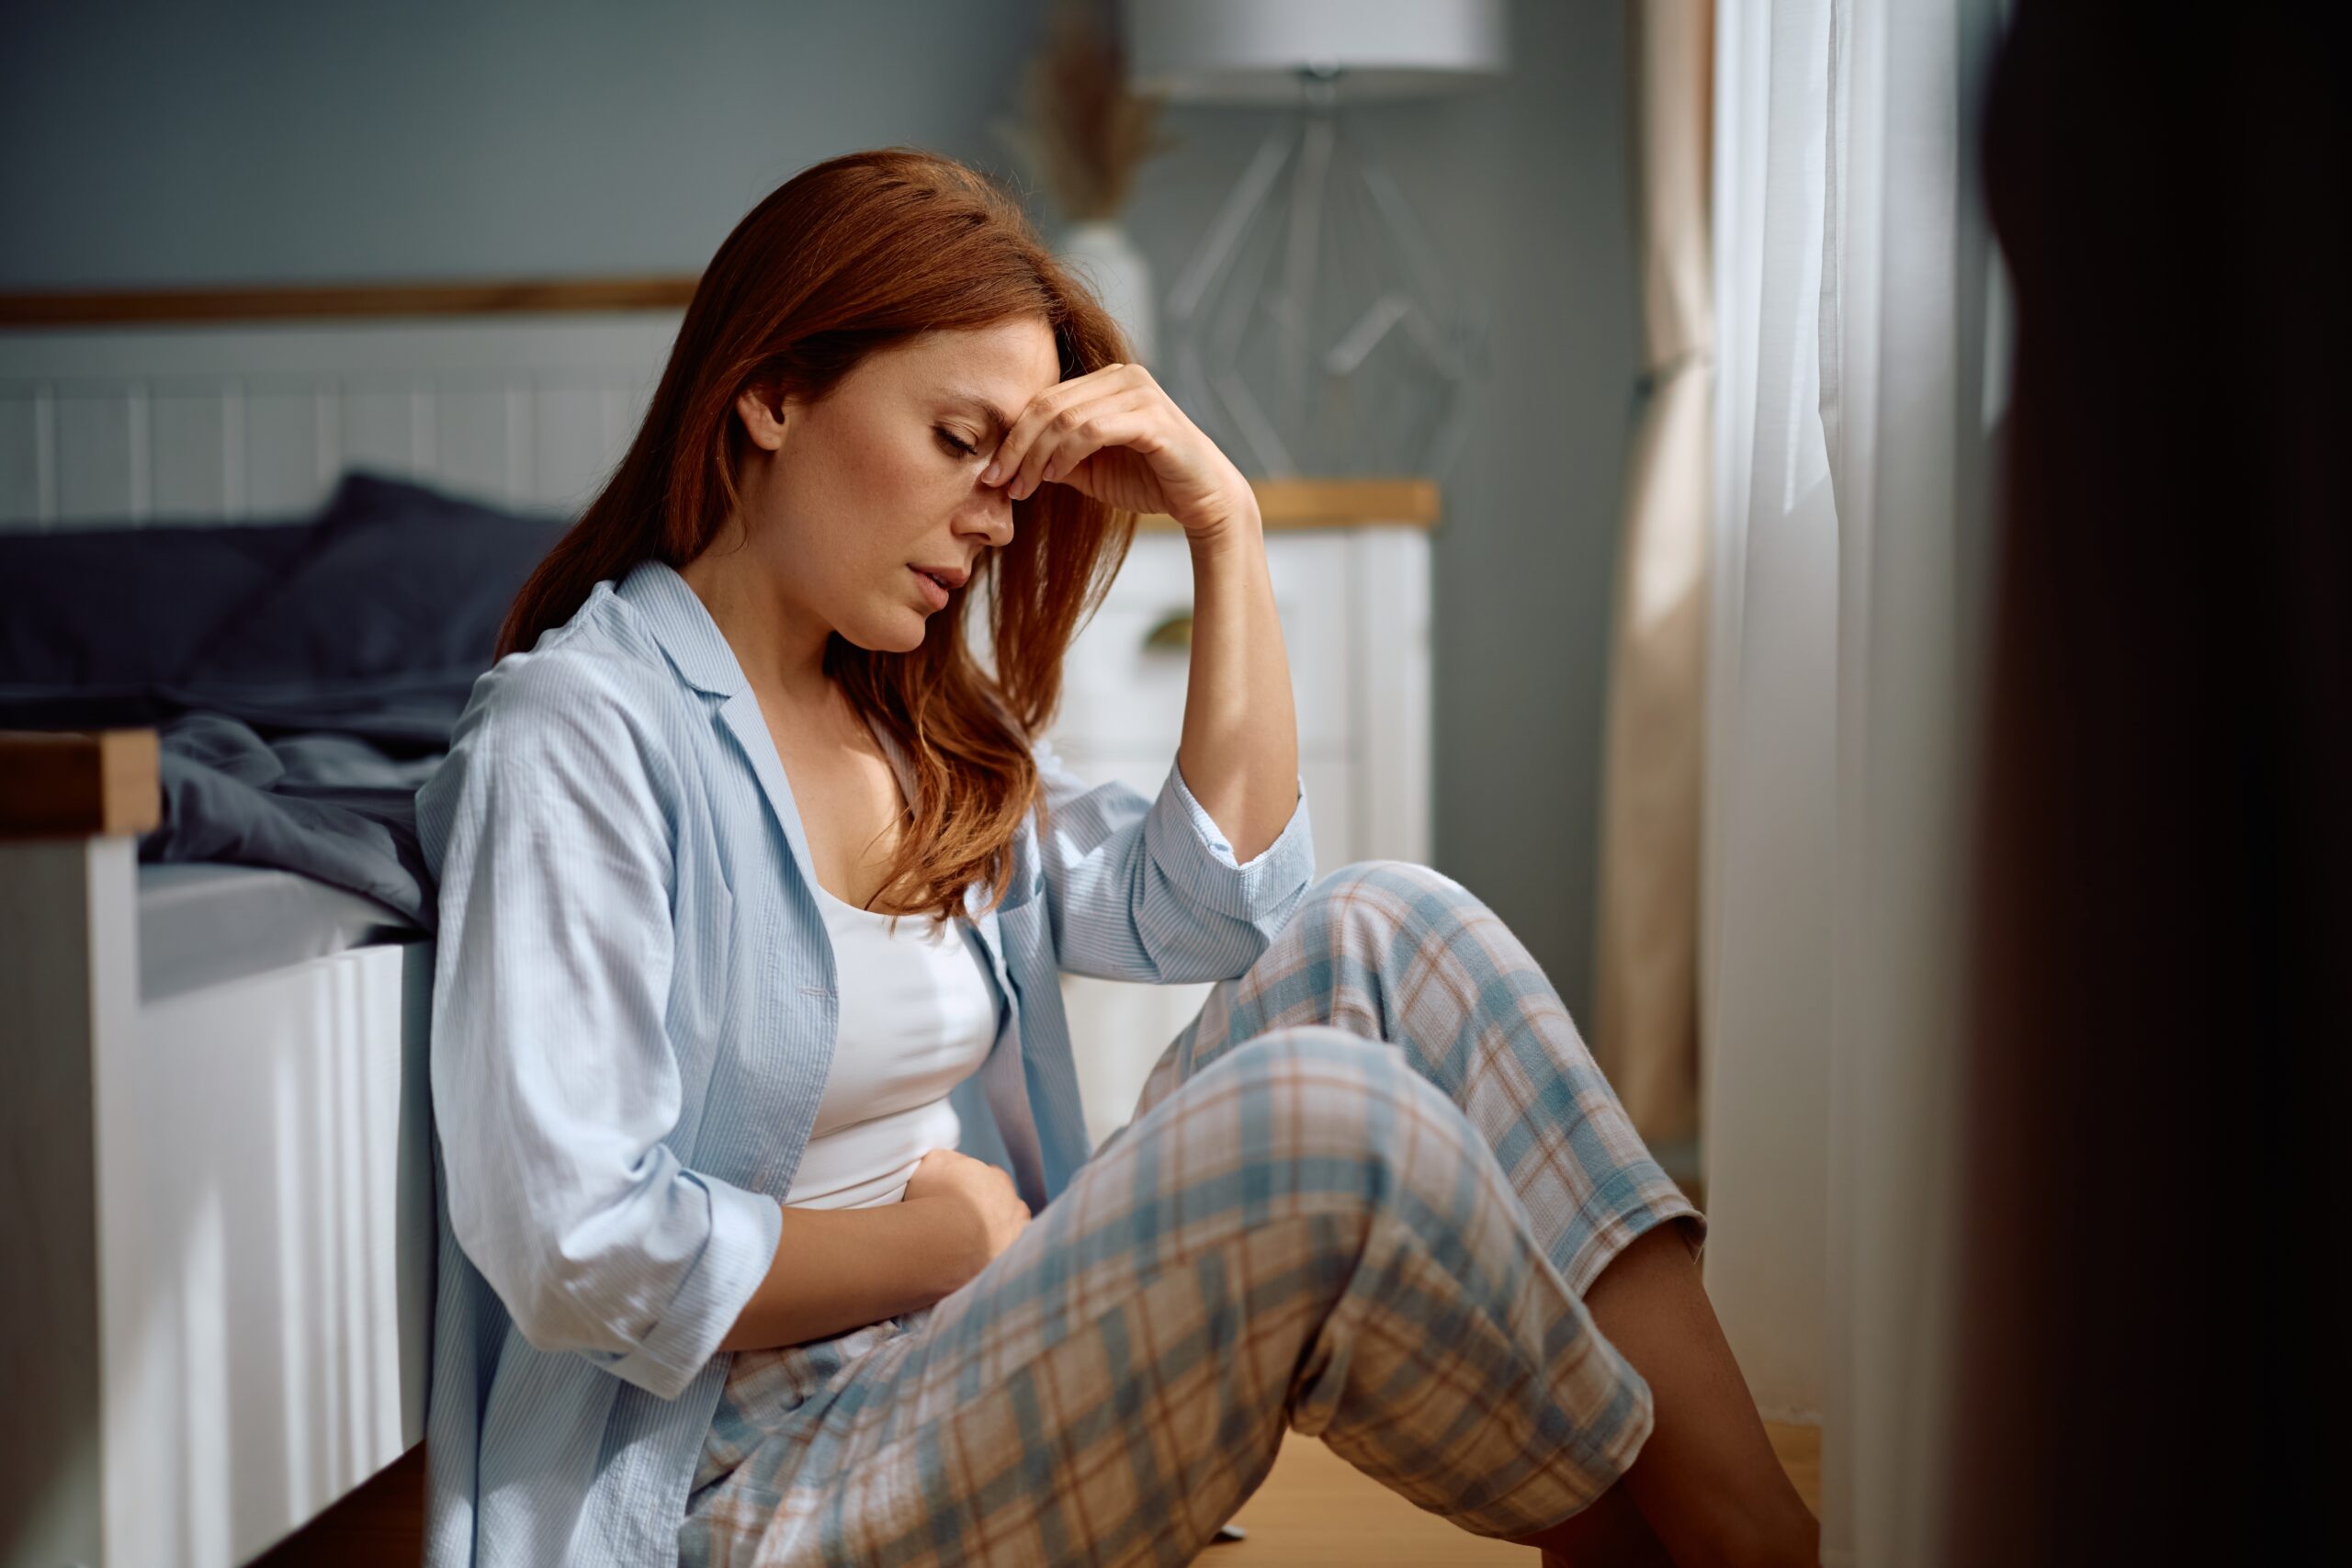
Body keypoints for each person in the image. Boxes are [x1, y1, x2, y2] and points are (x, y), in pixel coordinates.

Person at [414, 147, 1816, 1568]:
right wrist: (948, 1246)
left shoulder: (906, 735)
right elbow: (575, 1246)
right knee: (1320, 1119)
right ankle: (1649, 1545)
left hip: (959, 1359)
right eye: (958, 440)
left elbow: (1228, 911)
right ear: (771, 394)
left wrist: (1225, 521)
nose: (994, 516)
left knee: (1398, 930)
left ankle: (1753, 1534)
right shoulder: (579, 731)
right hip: (741, 1481)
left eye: (1011, 472)